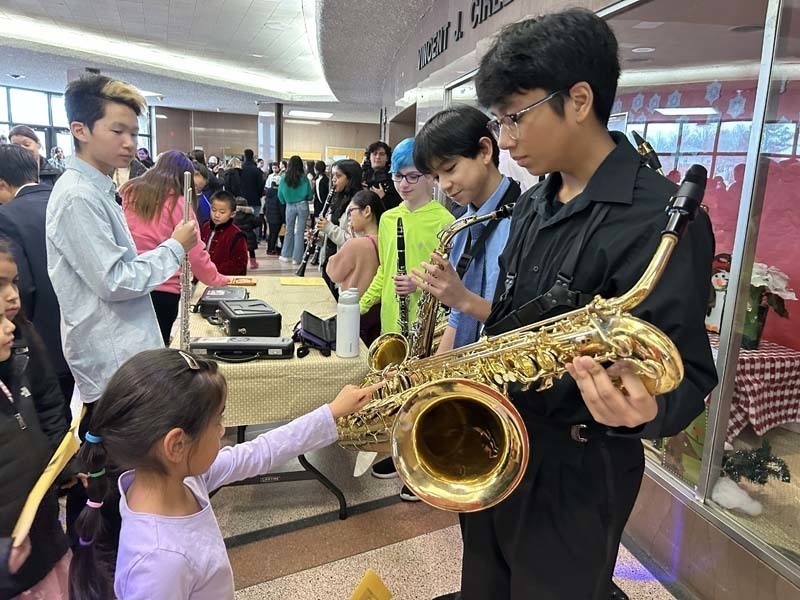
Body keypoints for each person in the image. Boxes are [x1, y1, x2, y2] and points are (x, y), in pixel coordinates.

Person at [425, 10, 717, 600]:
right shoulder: (534, 204)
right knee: (484, 585)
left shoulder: (662, 221)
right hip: (499, 443)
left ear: (578, 100)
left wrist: (644, 410)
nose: (505, 140)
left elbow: (690, 375)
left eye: (515, 118)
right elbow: (510, 321)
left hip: (580, 469)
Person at [68, 348, 384, 599]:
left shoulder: (178, 479)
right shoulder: (159, 562)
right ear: (176, 444)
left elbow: (262, 451)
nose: (223, 431)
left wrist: (332, 412)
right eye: (218, 421)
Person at [46, 73, 197, 408]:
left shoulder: (98, 188)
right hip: (111, 360)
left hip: (123, 354)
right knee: (124, 456)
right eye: (117, 131)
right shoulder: (78, 197)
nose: (129, 142)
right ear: (80, 130)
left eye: (132, 132)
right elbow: (115, 280)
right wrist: (174, 246)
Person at [360, 138, 453, 503]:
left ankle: (416, 468)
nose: (404, 184)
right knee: (392, 390)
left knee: (420, 395)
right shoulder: (388, 218)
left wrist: (417, 281)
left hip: (425, 322)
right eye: (398, 176)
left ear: (430, 177)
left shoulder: (444, 221)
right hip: (391, 321)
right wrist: (359, 304)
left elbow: (450, 277)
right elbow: (384, 271)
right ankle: (395, 454)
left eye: (412, 176)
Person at [411, 105, 520, 354]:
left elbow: (523, 323)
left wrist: (462, 298)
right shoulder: (459, 227)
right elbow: (457, 319)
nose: (445, 185)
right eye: (436, 177)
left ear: (484, 150)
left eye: (449, 169)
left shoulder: (524, 222)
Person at [0, 244, 72, 599]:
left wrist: (64, 463)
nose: (12, 295)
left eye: (13, 282)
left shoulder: (22, 337)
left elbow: (48, 401)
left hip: (39, 523)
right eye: (0, 285)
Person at [122, 151, 229, 344]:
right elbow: (195, 251)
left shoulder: (131, 193)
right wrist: (217, 280)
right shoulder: (179, 203)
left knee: (137, 347)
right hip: (165, 285)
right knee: (157, 348)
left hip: (133, 279)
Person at [0, 144, 75, 412]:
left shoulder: (7, 216)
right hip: (82, 329)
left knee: (51, 413)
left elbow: (24, 286)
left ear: (2, 184)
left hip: (44, 337)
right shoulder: (67, 201)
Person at [326, 190, 385, 345]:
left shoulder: (356, 244)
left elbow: (333, 272)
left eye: (351, 211)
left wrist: (348, 244)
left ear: (367, 211)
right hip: (380, 310)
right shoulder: (386, 240)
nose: (349, 217)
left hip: (357, 309)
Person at [316, 159, 362, 298]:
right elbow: (329, 233)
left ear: (351, 178)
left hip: (343, 269)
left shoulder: (357, 204)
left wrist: (329, 228)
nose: (334, 180)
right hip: (329, 262)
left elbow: (354, 240)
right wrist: (318, 237)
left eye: (339, 176)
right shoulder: (336, 200)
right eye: (333, 175)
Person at [201, 191, 248, 276]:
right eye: (213, 210)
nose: (216, 215)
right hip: (202, 277)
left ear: (232, 214)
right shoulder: (205, 226)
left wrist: (212, 271)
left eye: (222, 212)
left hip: (224, 280)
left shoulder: (237, 235)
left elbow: (239, 263)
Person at [278, 155, 313, 265]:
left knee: (289, 230)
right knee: (300, 232)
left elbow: (280, 194)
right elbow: (310, 195)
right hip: (303, 205)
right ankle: (297, 259)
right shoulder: (304, 178)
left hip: (289, 205)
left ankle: (285, 255)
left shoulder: (284, 177)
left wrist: (285, 201)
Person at [362, 141, 401, 210]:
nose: (377, 157)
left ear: (387, 158)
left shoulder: (394, 177)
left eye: (382, 154)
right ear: (369, 157)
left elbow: (398, 204)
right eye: (375, 154)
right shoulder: (362, 175)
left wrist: (383, 197)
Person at [233, 197, 259, 270]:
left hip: (237, 236)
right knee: (251, 250)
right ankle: (253, 263)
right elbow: (256, 223)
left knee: (237, 251)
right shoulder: (250, 215)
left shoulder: (233, 215)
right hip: (249, 235)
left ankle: (238, 263)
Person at [264, 165, 284, 256]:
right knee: (275, 234)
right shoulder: (279, 194)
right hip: (277, 218)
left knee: (271, 233)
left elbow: (265, 207)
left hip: (269, 216)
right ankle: (272, 249)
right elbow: (281, 207)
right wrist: (283, 218)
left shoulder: (268, 193)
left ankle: (270, 248)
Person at [240, 148, 265, 221]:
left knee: (242, 222)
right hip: (255, 200)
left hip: (242, 200)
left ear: (245, 156)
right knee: (254, 222)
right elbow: (260, 185)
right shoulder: (257, 170)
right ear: (253, 157)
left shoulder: (240, 169)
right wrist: (259, 195)